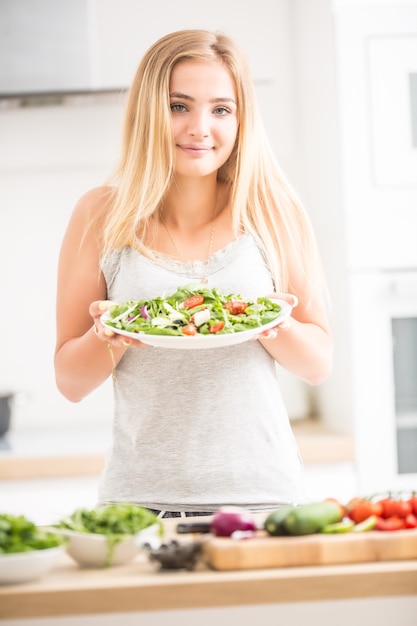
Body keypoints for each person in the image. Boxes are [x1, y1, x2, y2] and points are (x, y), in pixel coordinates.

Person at [54, 29, 333, 518]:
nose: (200, 128)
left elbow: (317, 365)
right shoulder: (100, 214)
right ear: (147, 112)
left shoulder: (272, 210)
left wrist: (271, 322)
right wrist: (113, 333)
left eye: (221, 109)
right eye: (179, 106)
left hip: (263, 497)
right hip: (139, 502)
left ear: (242, 119)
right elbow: (70, 382)